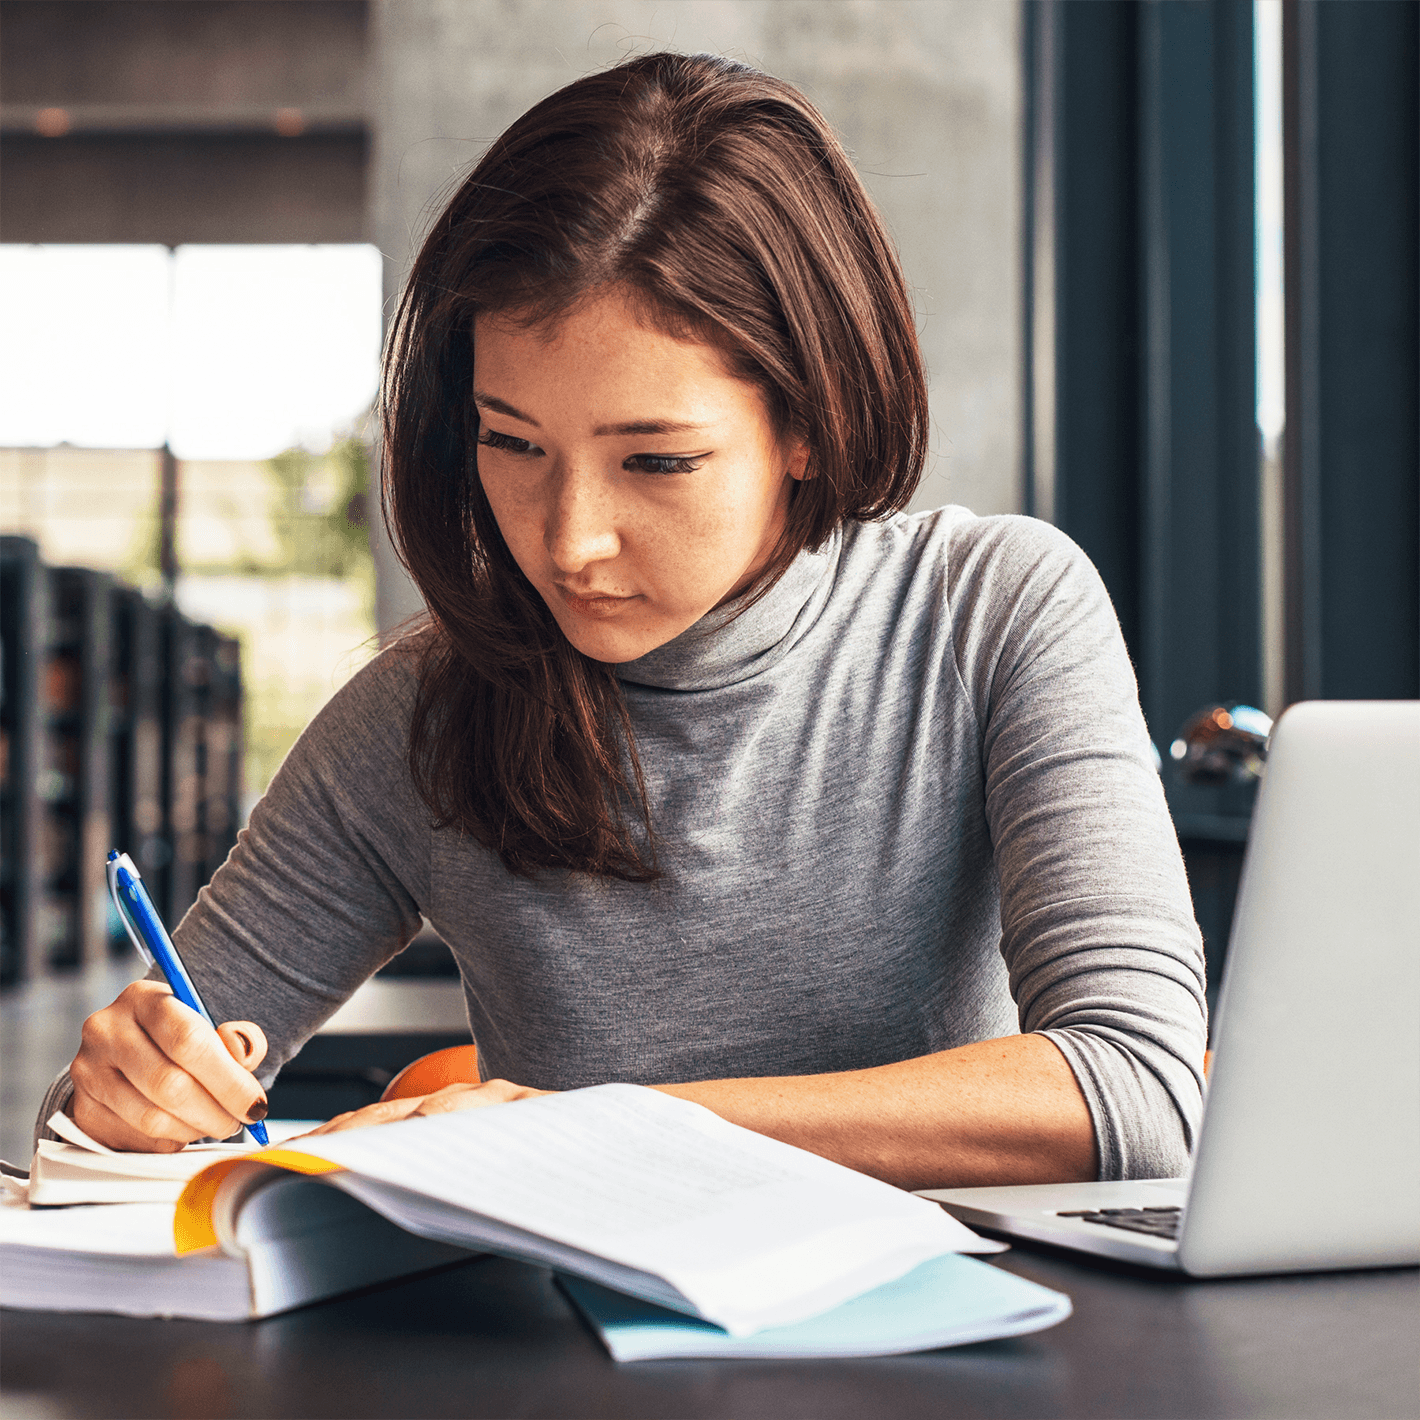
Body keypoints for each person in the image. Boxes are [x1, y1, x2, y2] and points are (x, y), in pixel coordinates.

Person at [47, 53, 1206, 1191]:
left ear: (810, 422)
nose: (568, 541)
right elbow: (87, 1144)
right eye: (512, 444)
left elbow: (1137, 1090)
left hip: (959, 1362)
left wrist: (602, 1129)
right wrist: (125, 1096)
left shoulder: (989, 611)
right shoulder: (421, 715)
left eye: (655, 459)